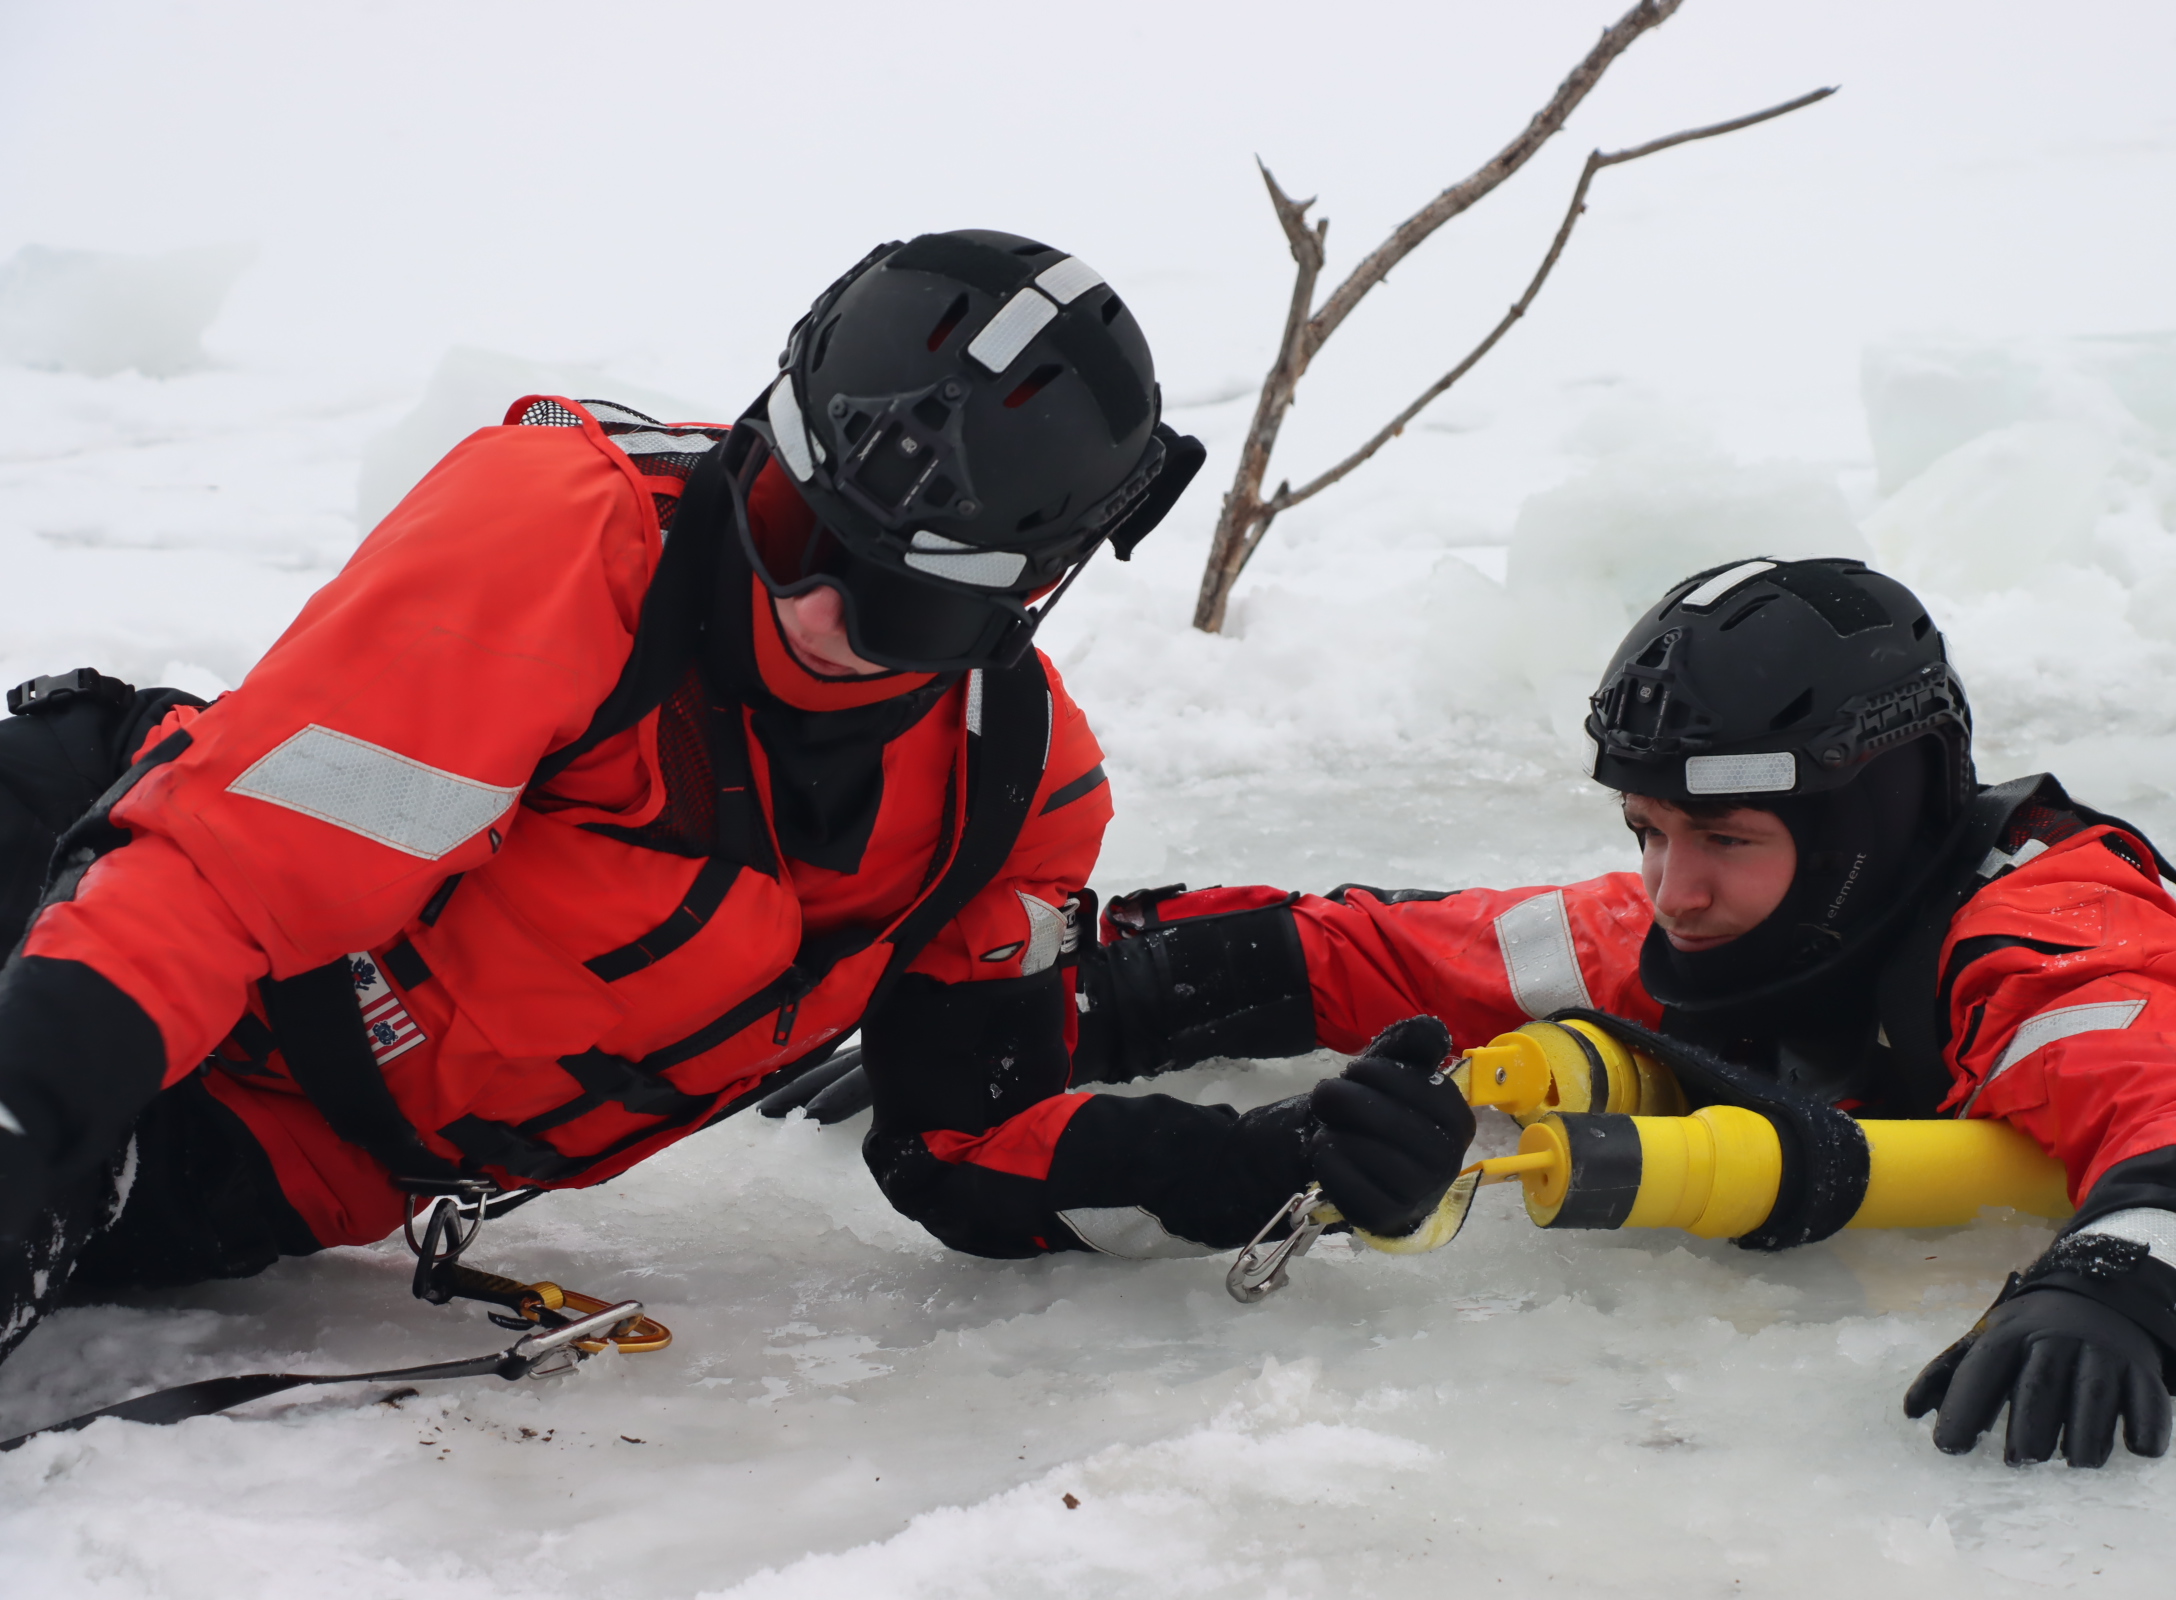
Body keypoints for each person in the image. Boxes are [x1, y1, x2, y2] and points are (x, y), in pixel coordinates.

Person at [0, 230, 1473, 1367]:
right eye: (786, 519)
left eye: (905, 604)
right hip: (67, 916)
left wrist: (1270, 1166)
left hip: (275, 1153)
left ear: (1031, 598)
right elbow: (219, 880)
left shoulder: (1011, 793)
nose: (816, 605)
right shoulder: (563, 540)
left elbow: (970, 1142)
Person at [1057, 557, 2176, 1467]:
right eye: (1644, 830)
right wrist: (1092, 988)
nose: (1670, 890)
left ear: (1867, 824)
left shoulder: (2049, 933)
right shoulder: (1734, 921)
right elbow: (1400, 951)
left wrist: (2122, 1292)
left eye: (1723, 838)